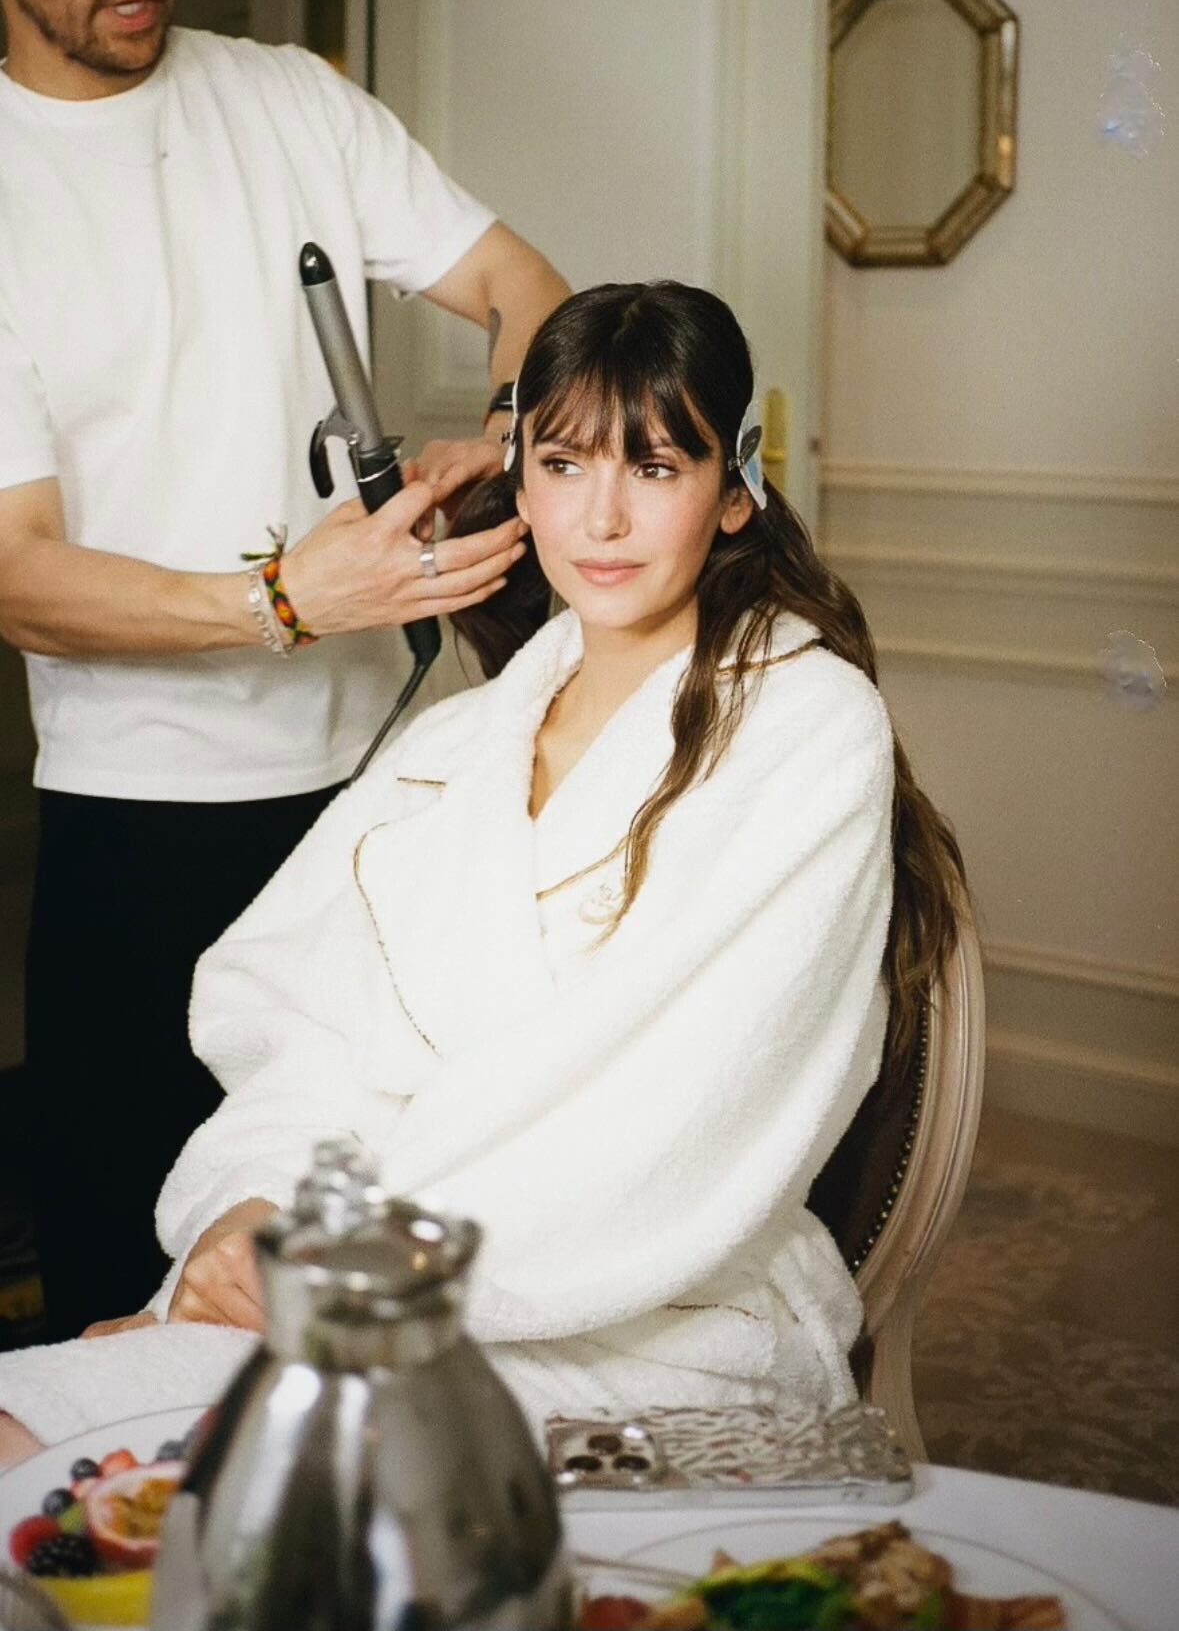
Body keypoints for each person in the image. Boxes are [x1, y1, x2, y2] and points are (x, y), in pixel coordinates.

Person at [0, 280, 965, 1463]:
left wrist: (344, 1270)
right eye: (563, 464)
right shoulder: (455, 747)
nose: (602, 516)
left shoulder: (808, 728)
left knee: (145, 1449)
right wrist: (249, 1210)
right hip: (352, 1272)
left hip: (644, 1321)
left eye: (656, 466)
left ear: (733, 489)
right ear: (522, 478)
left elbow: (681, 1112)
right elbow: (304, 1031)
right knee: (39, 1428)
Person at [0, 0, 568, 1339]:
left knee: (377, 1258)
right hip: (141, 831)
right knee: (138, 1291)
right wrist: (282, 601)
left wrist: (502, 442)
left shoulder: (292, 102)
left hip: (380, 794)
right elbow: (18, 577)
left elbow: (521, 285)